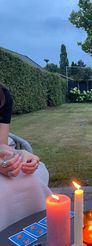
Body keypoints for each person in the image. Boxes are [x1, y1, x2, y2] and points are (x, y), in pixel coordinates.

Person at [0, 82, 51, 231]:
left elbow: (1, 143)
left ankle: (33, 235)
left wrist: (21, 154)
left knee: (29, 177)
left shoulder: (3, 96)